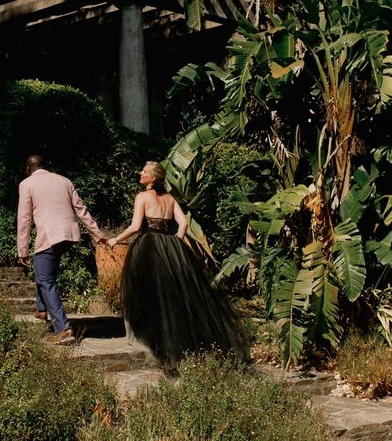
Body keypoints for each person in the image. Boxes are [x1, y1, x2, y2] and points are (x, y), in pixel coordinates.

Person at [107, 160, 248, 370]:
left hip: (149, 245)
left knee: (148, 292)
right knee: (171, 295)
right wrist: (174, 242)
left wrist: (115, 240)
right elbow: (183, 223)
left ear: (153, 178)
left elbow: (136, 226)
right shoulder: (170, 199)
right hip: (170, 244)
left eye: (144, 171)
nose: (140, 172)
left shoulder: (142, 197)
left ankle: (149, 339)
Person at [17, 154, 107, 345]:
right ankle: (41, 309)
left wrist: (22, 248)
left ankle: (64, 329)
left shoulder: (27, 184)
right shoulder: (64, 180)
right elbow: (81, 209)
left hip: (50, 235)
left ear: (28, 168)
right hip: (69, 234)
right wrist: (97, 234)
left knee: (45, 279)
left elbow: (24, 219)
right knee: (41, 269)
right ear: (44, 166)